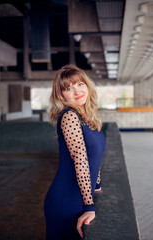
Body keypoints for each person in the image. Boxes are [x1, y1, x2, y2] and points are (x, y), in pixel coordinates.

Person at [44, 65, 106, 240]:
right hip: (67, 201)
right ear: (62, 95)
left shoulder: (87, 117)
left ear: (87, 85)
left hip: (81, 195)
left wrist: (97, 186)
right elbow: (80, 160)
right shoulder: (69, 116)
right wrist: (88, 205)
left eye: (80, 84)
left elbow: (96, 154)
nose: (77, 91)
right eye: (69, 88)